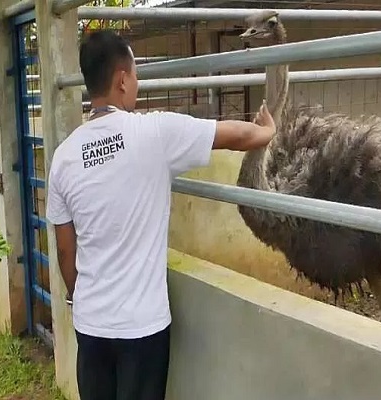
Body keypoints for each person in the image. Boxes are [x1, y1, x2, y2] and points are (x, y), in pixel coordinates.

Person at [46, 29, 276, 400]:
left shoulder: (64, 156)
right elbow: (233, 135)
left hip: (91, 324)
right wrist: (267, 131)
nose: (136, 83)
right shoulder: (154, 132)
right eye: (135, 75)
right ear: (122, 80)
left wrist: (81, 296)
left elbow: (64, 250)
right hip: (142, 327)